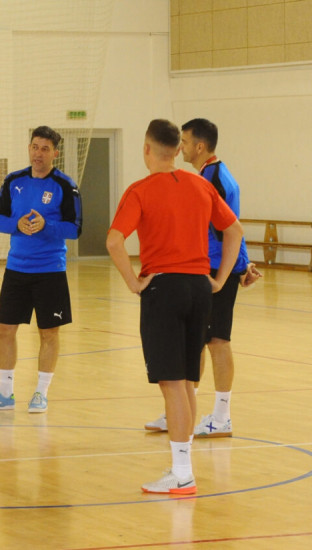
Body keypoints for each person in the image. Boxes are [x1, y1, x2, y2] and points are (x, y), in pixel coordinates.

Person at [107, 119, 243, 494]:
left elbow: (115, 240)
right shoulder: (201, 185)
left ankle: (182, 474)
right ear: (177, 149)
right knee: (186, 383)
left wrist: (133, 282)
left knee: (172, 385)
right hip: (200, 287)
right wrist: (218, 279)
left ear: (147, 149)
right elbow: (234, 231)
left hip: (163, 288)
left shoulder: (140, 190)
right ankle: (181, 468)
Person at [144, 118, 262, 437]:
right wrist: (245, 263)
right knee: (195, 343)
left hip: (211, 271)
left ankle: (222, 415)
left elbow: (228, 228)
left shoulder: (214, 178)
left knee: (217, 341)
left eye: (183, 141)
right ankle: (181, 410)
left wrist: (236, 268)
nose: (179, 147)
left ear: (199, 146)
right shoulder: (212, 175)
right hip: (208, 268)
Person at [0, 126, 82, 413]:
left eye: (45, 149)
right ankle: (5, 393)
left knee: (48, 333)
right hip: (16, 269)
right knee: (4, 329)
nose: (38, 153)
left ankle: (41, 393)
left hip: (50, 271)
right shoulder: (14, 181)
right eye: (35, 147)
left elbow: (75, 229)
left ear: (55, 153)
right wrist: (16, 224)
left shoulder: (65, 186)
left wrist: (47, 226)